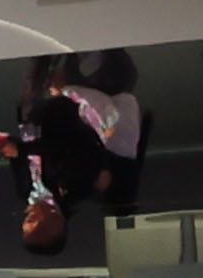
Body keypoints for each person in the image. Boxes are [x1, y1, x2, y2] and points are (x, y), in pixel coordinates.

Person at [9, 54, 149, 252]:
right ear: (56, 227)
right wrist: (65, 93)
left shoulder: (26, 192)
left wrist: (13, 148)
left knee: (44, 57)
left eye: (26, 228)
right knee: (86, 46)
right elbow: (70, 145)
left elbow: (21, 158)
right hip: (75, 101)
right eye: (35, 227)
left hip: (40, 112)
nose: (28, 222)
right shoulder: (75, 187)